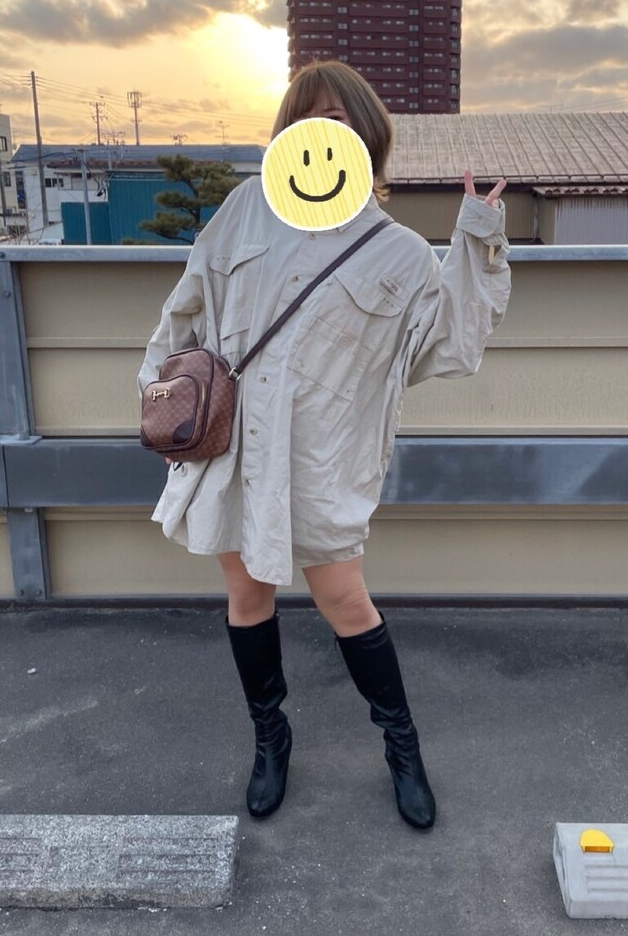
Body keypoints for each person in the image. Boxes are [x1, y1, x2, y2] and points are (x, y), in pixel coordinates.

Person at [138, 60, 510, 831]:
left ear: (365, 137)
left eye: (336, 120)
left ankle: (402, 746)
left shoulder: (398, 251)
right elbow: (186, 307)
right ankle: (270, 739)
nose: (320, 134)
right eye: (305, 120)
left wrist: (476, 236)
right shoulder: (244, 210)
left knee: (344, 599)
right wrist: (162, 400)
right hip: (235, 448)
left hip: (323, 457)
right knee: (248, 594)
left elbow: (449, 343)